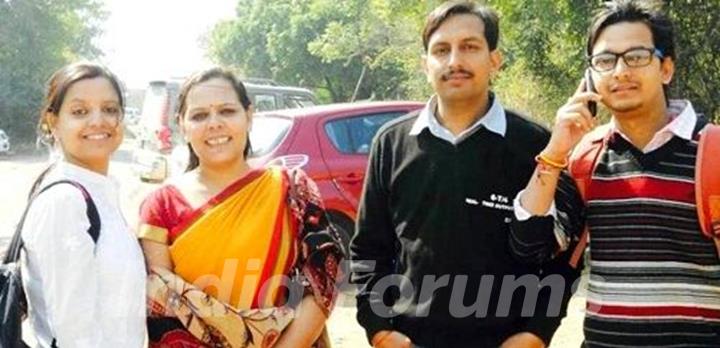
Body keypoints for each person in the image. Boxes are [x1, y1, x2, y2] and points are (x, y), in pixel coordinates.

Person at [349, 2, 580, 347]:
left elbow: (564, 254)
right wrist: (380, 330)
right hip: (412, 339)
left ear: (495, 60)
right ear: (425, 64)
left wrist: (535, 333)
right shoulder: (392, 143)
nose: (454, 61)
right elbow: (368, 248)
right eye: (441, 50)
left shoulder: (535, 144)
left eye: (470, 47)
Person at [512, 0, 720, 346]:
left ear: (666, 68)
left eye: (636, 56)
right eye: (605, 61)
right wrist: (555, 151)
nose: (620, 71)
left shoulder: (712, 152)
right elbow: (529, 246)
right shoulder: (586, 157)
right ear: (590, 76)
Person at [138, 67, 344, 347]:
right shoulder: (160, 205)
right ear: (182, 125)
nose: (214, 124)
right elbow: (164, 307)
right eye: (199, 115)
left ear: (248, 116)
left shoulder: (291, 189)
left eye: (227, 111)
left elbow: (324, 282)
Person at [20, 62, 147, 347]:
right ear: (53, 122)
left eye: (110, 109)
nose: (98, 121)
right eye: (79, 112)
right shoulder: (65, 201)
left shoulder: (98, 191)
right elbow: (75, 337)